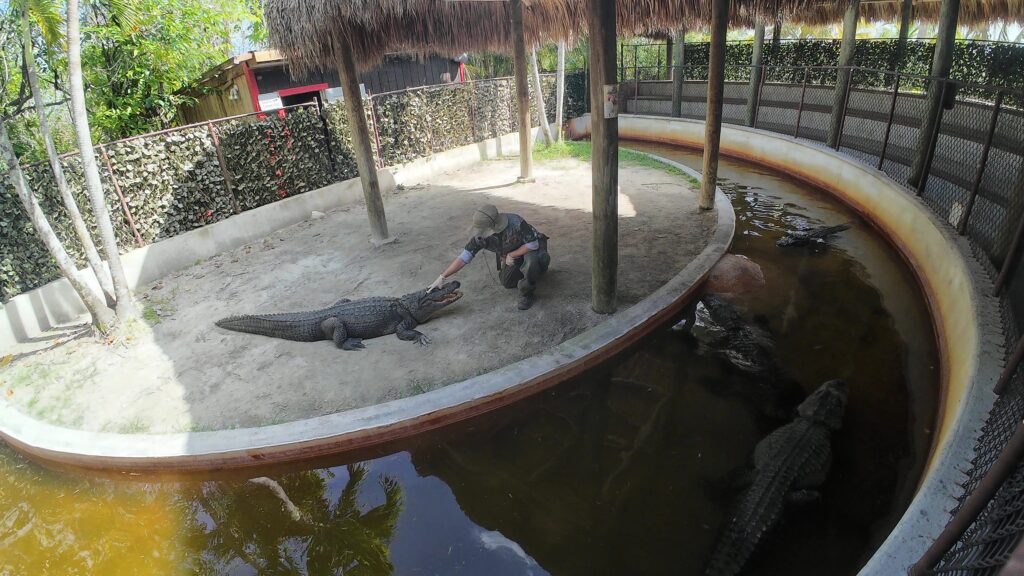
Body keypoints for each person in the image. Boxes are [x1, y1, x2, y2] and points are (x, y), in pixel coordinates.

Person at [428, 204, 550, 310]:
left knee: (531, 262)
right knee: (507, 282)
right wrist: (442, 277)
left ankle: (528, 292)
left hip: (531, 247)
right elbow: (464, 257)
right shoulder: (479, 238)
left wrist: (511, 255)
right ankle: (529, 271)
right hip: (512, 253)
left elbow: (533, 244)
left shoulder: (517, 222)